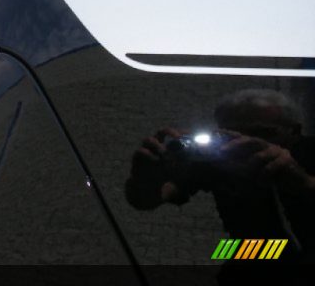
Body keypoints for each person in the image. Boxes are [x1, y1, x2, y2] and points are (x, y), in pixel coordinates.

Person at [126, 89, 315, 263]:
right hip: (254, 258)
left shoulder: (310, 150)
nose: (247, 141)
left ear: (295, 132)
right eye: (232, 135)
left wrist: (302, 181)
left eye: (262, 133)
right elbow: (147, 200)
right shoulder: (217, 159)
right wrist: (146, 179)